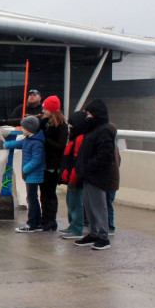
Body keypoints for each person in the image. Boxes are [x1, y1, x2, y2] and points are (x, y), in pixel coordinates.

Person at [74, 99, 115, 251]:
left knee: (99, 205)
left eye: (89, 114)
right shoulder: (92, 130)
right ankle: (93, 233)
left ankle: (103, 236)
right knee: (89, 205)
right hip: (88, 174)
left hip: (96, 175)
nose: (87, 117)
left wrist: (88, 167)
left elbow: (105, 154)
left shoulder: (105, 130)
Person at [0, 115, 45, 232]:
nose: (21, 129)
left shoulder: (36, 143)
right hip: (30, 175)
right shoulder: (29, 139)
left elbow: (37, 159)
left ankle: (32, 224)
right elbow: (18, 144)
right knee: (32, 198)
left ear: (29, 129)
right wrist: (4, 145)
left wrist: (25, 170)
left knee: (32, 199)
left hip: (32, 175)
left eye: (23, 128)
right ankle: (37, 223)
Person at [39, 96, 68, 231]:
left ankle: (50, 221)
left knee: (50, 194)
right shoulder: (45, 121)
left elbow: (60, 146)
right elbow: (27, 122)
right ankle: (45, 219)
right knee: (44, 193)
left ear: (52, 110)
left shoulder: (62, 126)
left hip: (52, 165)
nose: (43, 110)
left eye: (45, 108)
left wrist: (45, 139)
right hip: (45, 164)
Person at [58, 111, 88, 239]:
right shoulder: (75, 139)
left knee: (76, 203)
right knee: (71, 202)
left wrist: (73, 179)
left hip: (75, 179)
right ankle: (72, 226)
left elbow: (78, 161)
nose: (70, 128)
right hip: (71, 178)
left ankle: (76, 228)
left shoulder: (80, 140)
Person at [107, 123, 121, 235]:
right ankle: (109, 225)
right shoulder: (115, 147)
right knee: (108, 203)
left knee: (107, 204)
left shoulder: (109, 147)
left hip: (110, 182)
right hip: (114, 182)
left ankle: (110, 226)